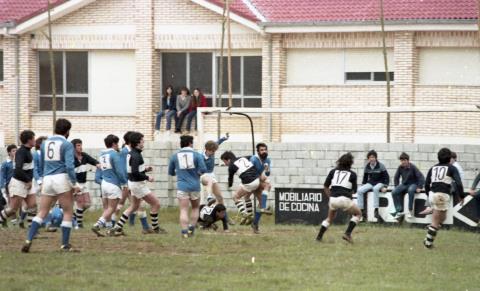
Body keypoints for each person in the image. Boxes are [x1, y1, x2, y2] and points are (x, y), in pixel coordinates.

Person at [22, 118, 81, 253]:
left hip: (47, 178)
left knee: (42, 211)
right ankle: (64, 244)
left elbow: (42, 163)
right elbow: (69, 166)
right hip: (61, 178)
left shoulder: (44, 143)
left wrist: (42, 179)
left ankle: (28, 240)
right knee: (67, 211)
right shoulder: (66, 144)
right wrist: (74, 183)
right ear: (67, 131)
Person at [112, 132, 166, 235]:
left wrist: (145, 170)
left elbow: (133, 170)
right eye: (142, 140)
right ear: (137, 142)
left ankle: (117, 227)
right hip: (138, 185)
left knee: (133, 207)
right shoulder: (136, 155)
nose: (143, 142)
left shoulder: (132, 153)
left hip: (133, 184)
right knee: (156, 203)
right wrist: (147, 177)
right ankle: (156, 228)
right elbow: (135, 172)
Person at [423, 148, 464, 249]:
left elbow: (426, 183)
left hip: (433, 194)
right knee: (437, 220)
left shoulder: (433, 168)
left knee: (443, 217)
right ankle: (428, 243)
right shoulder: (452, 168)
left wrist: (429, 195)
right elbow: (458, 183)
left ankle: (431, 230)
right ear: (450, 158)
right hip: (441, 195)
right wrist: (461, 196)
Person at [316, 153, 361, 243]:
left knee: (329, 218)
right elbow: (355, 191)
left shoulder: (333, 171)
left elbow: (325, 186)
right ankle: (347, 234)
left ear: (339, 162)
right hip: (344, 199)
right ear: (350, 163)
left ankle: (318, 238)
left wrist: (331, 197)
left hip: (333, 199)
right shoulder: (352, 174)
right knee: (358, 214)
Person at [168, 135, 207, 238]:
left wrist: (180, 172)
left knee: (183, 209)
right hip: (195, 186)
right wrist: (197, 174)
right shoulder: (197, 155)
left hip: (182, 186)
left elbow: (171, 172)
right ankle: (191, 229)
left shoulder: (175, 156)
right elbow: (203, 169)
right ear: (190, 143)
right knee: (195, 208)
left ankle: (184, 232)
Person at [0, 131, 38, 229]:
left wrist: (29, 181)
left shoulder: (28, 151)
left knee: (32, 205)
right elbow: (17, 170)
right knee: (12, 209)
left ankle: (32, 230)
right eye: (33, 138)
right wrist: (27, 180)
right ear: (29, 140)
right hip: (18, 183)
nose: (35, 140)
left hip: (27, 183)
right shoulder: (21, 152)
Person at [91, 134, 127, 237]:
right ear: (114, 144)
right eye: (117, 143)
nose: (118, 146)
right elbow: (119, 171)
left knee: (107, 208)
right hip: (113, 184)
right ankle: (98, 224)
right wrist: (124, 182)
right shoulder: (114, 154)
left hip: (104, 183)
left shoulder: (102, 155)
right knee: (112, 208)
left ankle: (109, 228)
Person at [221, 151, 264, 234]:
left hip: (249, 182)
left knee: (235, 196)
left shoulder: (231, 166)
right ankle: (251, 217)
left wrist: (229, 186)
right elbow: (254, 157)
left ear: (228, 160)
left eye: (224, 161)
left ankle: (244, 214)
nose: (225, 164)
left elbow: (230, 179)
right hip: (257, 180)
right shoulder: (243, 157)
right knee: (248, 197)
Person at [72, 138, 100, 228]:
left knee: (87, 204)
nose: (80, 147)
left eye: (81, 145)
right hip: (76, 184)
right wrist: (74, 185)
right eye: (78, 145)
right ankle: (79, 225)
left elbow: (93, 161)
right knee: (80, 203)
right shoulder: (71, 158)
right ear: (73, 147)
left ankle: (74, 217)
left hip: (84, 183)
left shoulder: (84, 156)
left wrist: (98, 164)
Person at [355, 150, 389, 221]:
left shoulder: (381, 165)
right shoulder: (367, 166)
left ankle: (376, 210)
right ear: (368, 158)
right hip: (371, 182)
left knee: (376, 189)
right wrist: (363, 185)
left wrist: (385, 186)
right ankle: (361, 210)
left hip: (380, 182)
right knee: (360, 190)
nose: (372, 159)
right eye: (370, 157)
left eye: (373, 157)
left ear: (376, 158)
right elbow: (365, 178)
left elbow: (386, 177)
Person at [391, 152, 425, 220]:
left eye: (404, 160)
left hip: (413, 184)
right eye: (401, 160)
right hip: (404, 184)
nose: (403, 162)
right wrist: (396, 186)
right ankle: (398, 209)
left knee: (410, 190)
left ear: (408, 160)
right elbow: (396, 177)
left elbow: (421, 177)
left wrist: (419, 187)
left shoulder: (413, 167)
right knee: (394, 192)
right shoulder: (400, 167)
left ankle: (410, 210)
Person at [250, 143, 274, 217]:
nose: (264, 151)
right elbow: (250, 172)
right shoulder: (253, 159)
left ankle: (255, 224)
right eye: (262, 150)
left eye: (265, 150)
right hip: (250, 181)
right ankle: (263, 207)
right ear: (258, 152)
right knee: (268, 185)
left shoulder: (267, 160)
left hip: (257, 181)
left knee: (261, 202)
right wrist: (259, 177)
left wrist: (266, 170)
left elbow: (267, 174)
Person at [0, 144, 17, 217]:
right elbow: (2, 176)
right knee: (11, 202)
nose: (15, 152)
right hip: (9, 185)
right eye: (13, 151)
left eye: (16, 151)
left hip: (18, 184)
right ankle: (13, 218)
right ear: (9, 152)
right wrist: (2, 186)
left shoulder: (18, 162)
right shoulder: (5, 163)